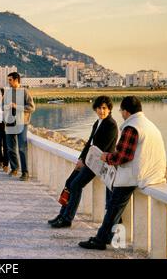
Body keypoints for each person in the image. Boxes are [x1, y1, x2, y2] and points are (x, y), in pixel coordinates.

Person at [79, 96, 167, 250]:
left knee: (113, 205)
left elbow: (123, 156)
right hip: (154, 173)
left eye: (121, 111)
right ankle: (106, 237)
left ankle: (101, 240)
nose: (121, 114)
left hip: (137, 175)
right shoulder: (148, 124)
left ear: (126, 111)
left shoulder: (132, 127)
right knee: (114, 204)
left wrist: (106, 157)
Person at [48, 96, 118, 228]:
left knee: (76, 185)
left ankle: (67, 219)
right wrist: (81, 158)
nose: (101, 111)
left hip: (99, 163)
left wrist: (85, 162)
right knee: (69, 183)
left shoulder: (111, 125)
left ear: (109, 109)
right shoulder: (98, 123)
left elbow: (101, 148)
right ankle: (62, 214)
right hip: (89, 160)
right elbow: (89, 144)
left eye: (104, 108)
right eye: (99, 108)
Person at [4, 72, 35, 181]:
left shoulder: (25, 92)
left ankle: (25, 173)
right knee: (10, 148)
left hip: (22, 123)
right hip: (10, 123)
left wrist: (17, 106)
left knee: (22, 148)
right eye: (8, 80)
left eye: (10, 80)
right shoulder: (8, 93)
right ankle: (14, 168)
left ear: (17, 80)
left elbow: (31, 108)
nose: (9, 82)